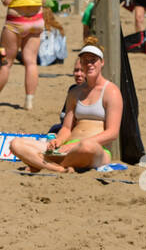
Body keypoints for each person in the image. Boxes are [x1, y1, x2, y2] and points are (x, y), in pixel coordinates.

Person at [9, 42, 121, 173]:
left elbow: (112, 133)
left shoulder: (111, 91)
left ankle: (44, 164)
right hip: (68, 147)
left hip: (95, 150)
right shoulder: (75, 92)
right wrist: (59, 141)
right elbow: (67, 128)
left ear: (101, 63)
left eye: (93, 60)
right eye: (85, 61)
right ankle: (59, 168)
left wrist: (76, 145)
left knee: (86, 146)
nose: (89, 64)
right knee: (16, 143)